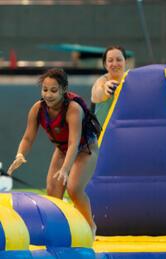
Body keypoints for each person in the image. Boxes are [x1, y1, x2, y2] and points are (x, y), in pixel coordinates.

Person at [7, 68, 99, 237]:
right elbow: (28, 137)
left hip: (85, 148)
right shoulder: (37, 109)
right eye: (45, 90)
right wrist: (20, 154)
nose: (48, 95)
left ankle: (90, 226)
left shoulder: (73, 109)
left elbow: (74, 143)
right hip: (62, 148)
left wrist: (65, 169)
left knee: (74, 189)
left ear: (64, 90)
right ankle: (64, 229)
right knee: (53, 192)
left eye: (54, 90)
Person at [91, 46, 127, 126]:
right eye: (110, 60)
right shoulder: (101, 81)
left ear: (125, 62)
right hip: (102, 134)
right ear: (105, 65)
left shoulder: (130, 79)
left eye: (119, 60)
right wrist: (105, 88)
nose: (115, 64)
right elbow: (98, 92)